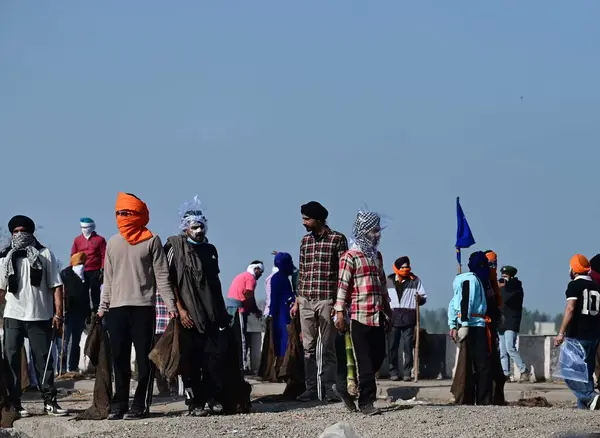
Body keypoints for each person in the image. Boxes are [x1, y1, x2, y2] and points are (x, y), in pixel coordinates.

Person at [98, 193, 177, 420]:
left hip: (143, 308)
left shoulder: (152, 240)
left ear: (139, 214)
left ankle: (140, 404)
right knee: (119, 358)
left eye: (127, 213)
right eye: (119, 213)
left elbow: (162, 276)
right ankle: (120, 403)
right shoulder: (113, 243)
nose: (122, 217)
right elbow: (108, 279)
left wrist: (171, 305)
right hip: (117, 308)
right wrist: (103, 307)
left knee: (144, 359)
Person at [164, 199, 231, 416]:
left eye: (201, 226)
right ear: (185, 228)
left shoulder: (210, 249)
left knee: (213, 358)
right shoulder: (174, 247)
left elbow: (215, 283)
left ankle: (213, 398)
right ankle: (195, 403)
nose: (199, 230)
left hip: (211, 313)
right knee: (190, 361)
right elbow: (171, 282)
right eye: (194, 227)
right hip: (189, 315)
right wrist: (181, 310)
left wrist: (221, 312)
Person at [0, 215, 67, 417]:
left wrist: (59, 315)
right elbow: (1, 290)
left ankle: (49, 401)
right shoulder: (5, 258)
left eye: (23, 231)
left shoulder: (45, 254)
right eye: (15, 232)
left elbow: (56, 286)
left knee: (44, 361)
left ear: (31, 233)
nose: (19, 235)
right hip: (13, 316)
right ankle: (15, 403)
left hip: (40, 316)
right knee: (11, 361)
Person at [333, 209, 391, 415]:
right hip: (359, 317)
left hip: (377, 316)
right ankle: (366, 403)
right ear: (364, 231)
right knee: (365, 362)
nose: (377, 235)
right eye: (374, 231)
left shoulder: (377, 257)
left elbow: (382, 285)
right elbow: (342, 287)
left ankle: (346, 388)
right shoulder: (350, 257)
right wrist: (339, 312)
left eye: (378, 231)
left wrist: (388, 308)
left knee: (378, 357)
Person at [291, 201, 348, 402]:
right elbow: (303, 271)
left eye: (307, 218)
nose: (304, 222)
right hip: (306, 298)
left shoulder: (337, 239)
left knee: (328, 346)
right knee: (308, 347)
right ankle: (311, 388)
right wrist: (298, 300)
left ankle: (329, 388)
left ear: (318, 219)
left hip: (327, 299)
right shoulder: (305, 242)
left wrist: (340, 304)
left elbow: (343, 274)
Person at [555, 254, 600, 410]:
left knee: (569, 372)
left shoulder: (574, 286)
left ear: (574, 269)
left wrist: (561, 332)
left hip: (577, 335)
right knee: (586, 373)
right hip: (594, 335)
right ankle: (585, 407)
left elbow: (570, 308)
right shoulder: (596, 286)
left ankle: (590, 397)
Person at [448, 251, 493, 406]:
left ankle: (467, 399)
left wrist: (453, 324)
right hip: (474, 325)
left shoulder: (462, 280)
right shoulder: (472, 280)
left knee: (467, 365)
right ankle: (483, 401)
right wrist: (465, 324)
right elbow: (466, 301)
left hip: (466, 324)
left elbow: (453, 303)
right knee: (482, 366)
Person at [387, 256, 427, 382]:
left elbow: (423, 296)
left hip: (409, 318)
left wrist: (419, 299)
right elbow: (384, 297)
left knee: (408, 346)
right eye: (403, 267)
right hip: (393, 318)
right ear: (397, 268)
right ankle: (393, 371)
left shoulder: (415, 280)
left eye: (407, 267)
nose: (405, 269)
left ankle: (407, 372)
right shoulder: (389, 280)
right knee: (393, 346)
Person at [227, 261, 264, 373]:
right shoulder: (250, 278)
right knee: (242, 339)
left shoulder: (242, 276)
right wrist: (256, 311)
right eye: (260, 271)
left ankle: (235, 365)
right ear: (256, 269)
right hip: (238, 310)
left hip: (231, 309)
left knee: (234, 337)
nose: (261, 274)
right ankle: (242, 367)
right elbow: (249, 296)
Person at [58, 251, 91, 373]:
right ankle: (61, 368)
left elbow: (86, 296)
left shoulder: (86, 278)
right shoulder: (65, 274)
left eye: (83, 263)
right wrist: (60, 310)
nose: (81, 266)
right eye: (79, 263)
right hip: (68, 312)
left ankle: (73, 367)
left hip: (80, 313)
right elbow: (60, 293)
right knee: (64, 342)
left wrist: (88, 313)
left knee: (76, 342)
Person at [497, 265, 529, 381]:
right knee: (503, 350)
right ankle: (505, 373)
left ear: (511, 276)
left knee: (510, 347)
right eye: (502, 276)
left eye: (505, 276)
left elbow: (506, 299)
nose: (503, 279)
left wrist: (503, 287)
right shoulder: (501, 288)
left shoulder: (516, 288)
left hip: (512, 321)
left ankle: (524, 370)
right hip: (501, 322)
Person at [71, 217, 106, 313]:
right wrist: (72, 268)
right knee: (83, 292)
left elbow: (104, 255)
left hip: (95, 270)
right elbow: (73, 255)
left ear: (92, 227)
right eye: (82, 227)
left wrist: (103, 269)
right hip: (81, 271)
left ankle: (96, 312)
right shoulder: (77, 240)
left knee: (96, 292)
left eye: (87, 227)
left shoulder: (100, 240)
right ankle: (85, 313)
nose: (85, 229)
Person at [270, 252, 296, 372]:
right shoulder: (279, 278)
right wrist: (271, 314)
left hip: (283, 314)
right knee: (282, 340)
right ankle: (281, 368)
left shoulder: (282, 278)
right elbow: (275, 298)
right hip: (281, 315)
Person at [153, 290, 178, 397]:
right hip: (162, 326)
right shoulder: (168, 288)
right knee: (164, 359)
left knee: (162, 359)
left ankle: (167, 388)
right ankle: (168, 388)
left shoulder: (151, 287)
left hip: (163, 326)